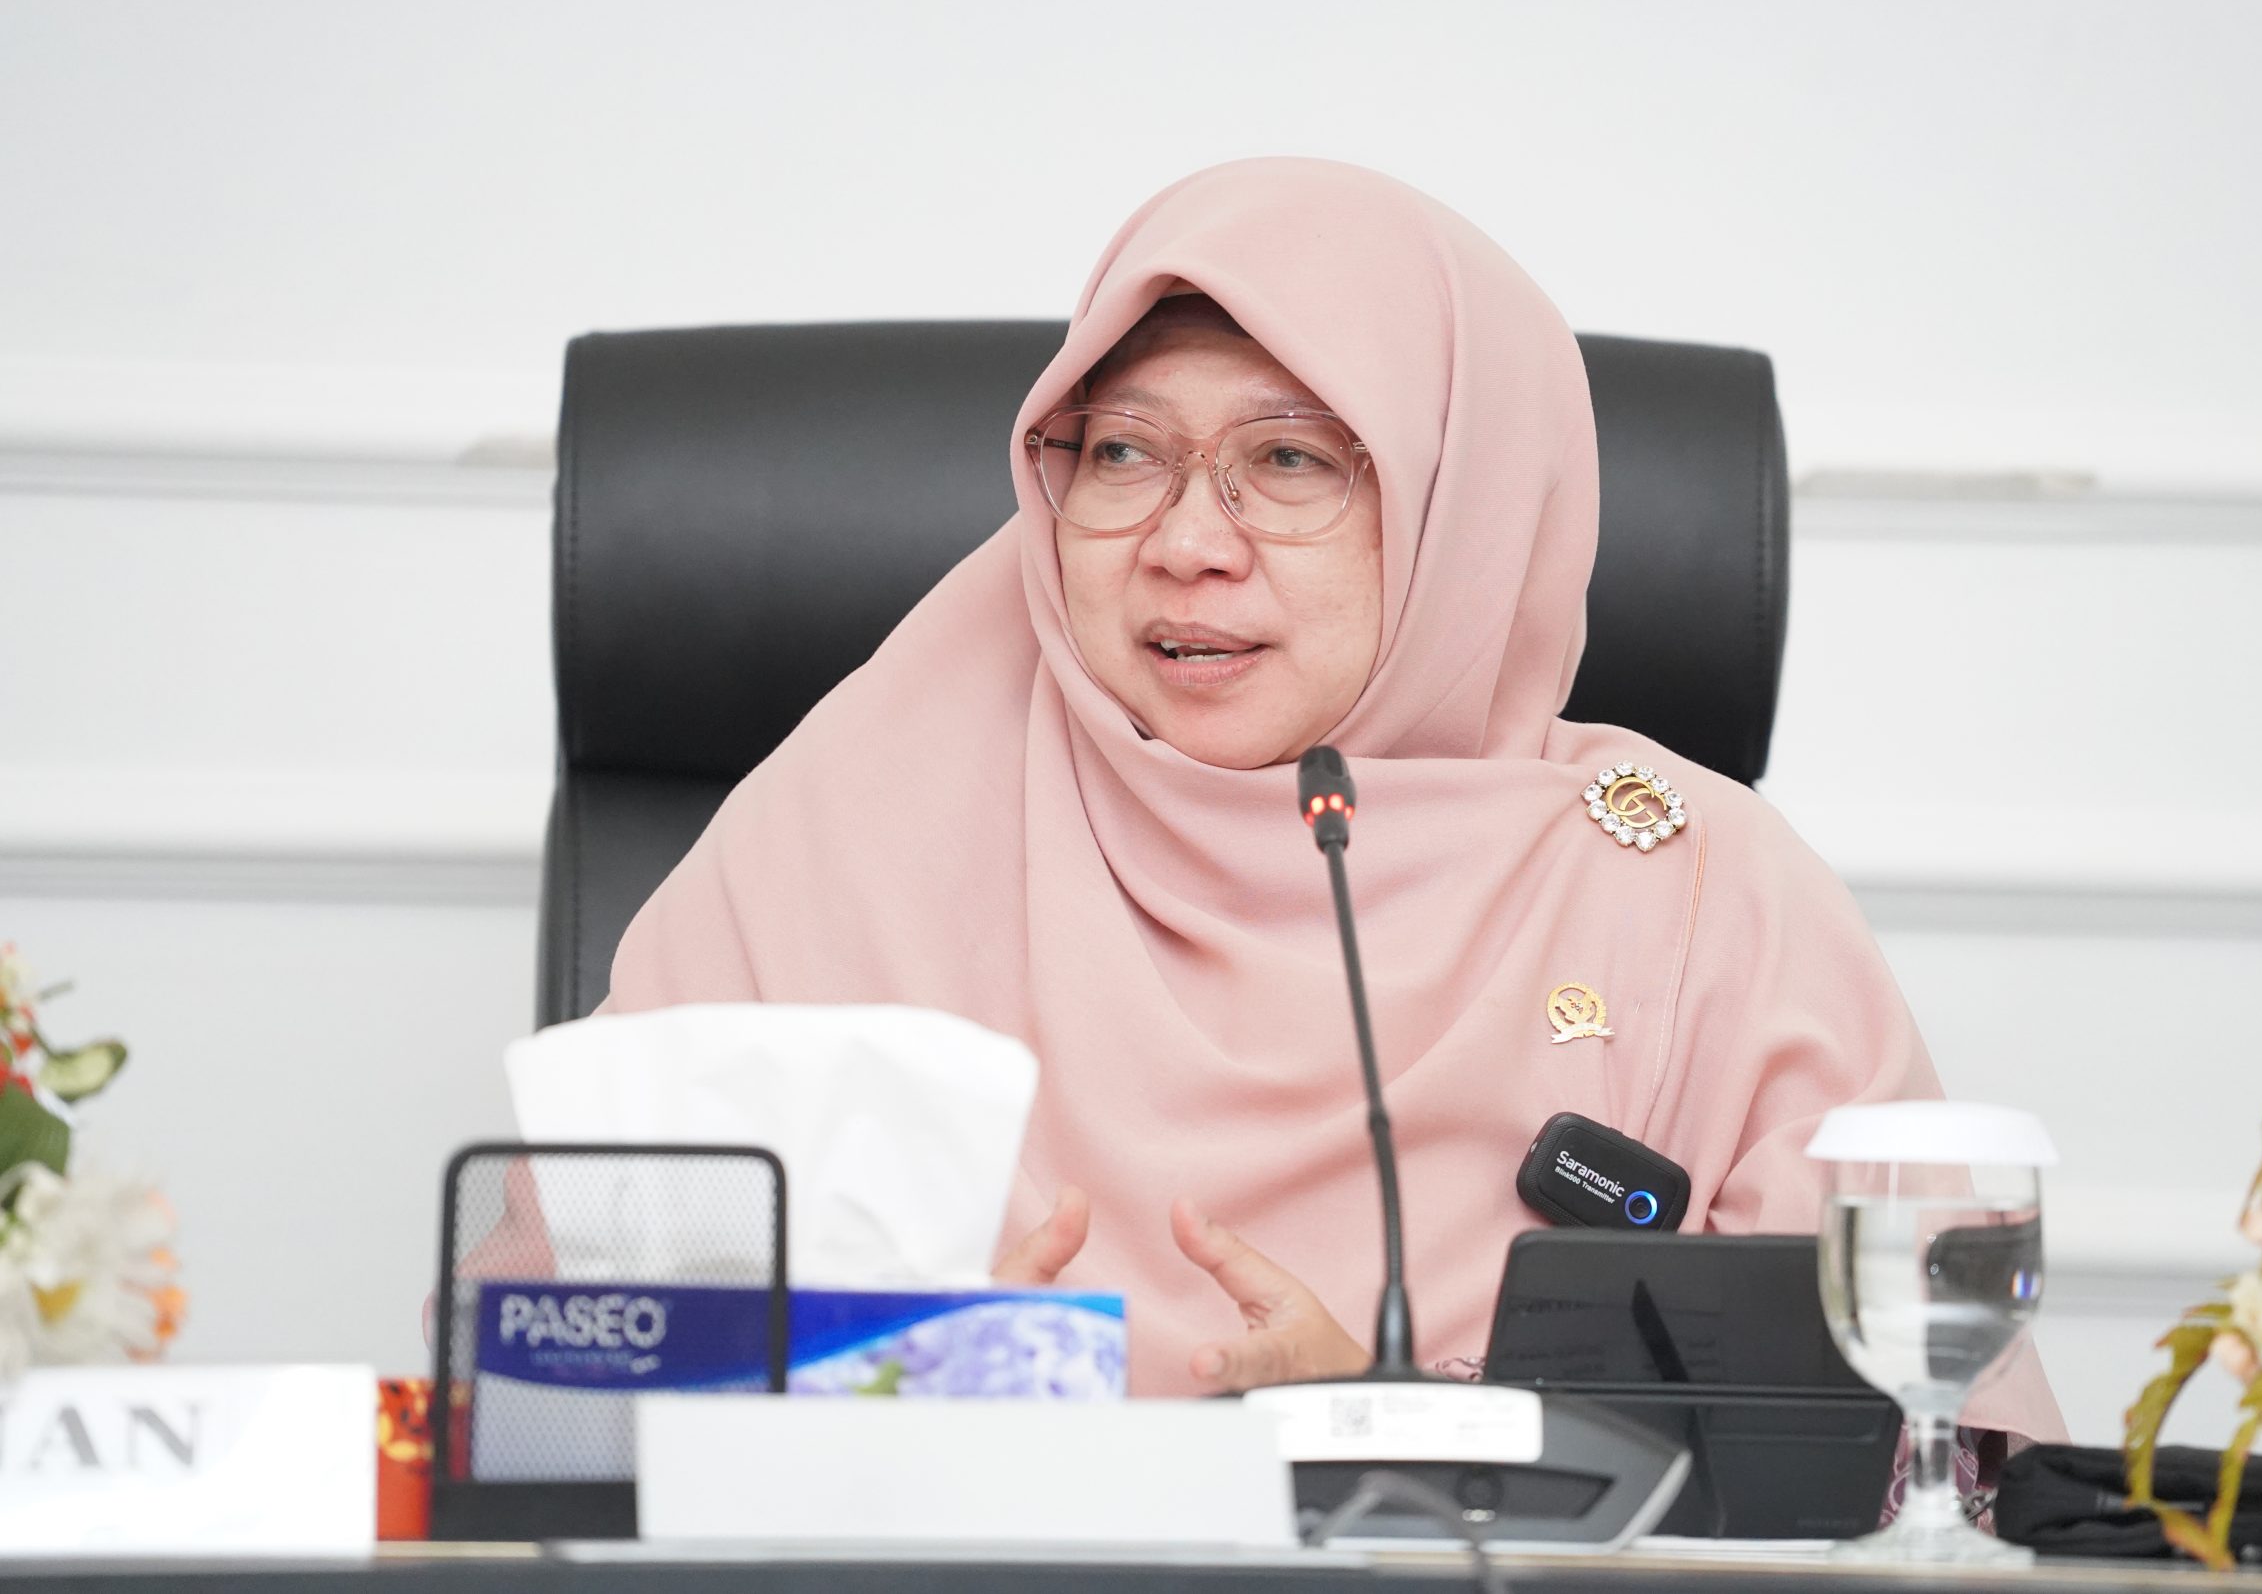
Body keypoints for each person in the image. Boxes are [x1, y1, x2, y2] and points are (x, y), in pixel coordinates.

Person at [596, 157, 2064, 1444]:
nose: (1186, 543)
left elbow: (1900, 1463)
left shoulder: (1689, 886)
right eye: (1122, 452)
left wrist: (1399, 1427)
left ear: (1464, 508)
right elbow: (564, 1368)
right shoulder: (851, 824)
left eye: (1288, 460)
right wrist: (862, 1388)